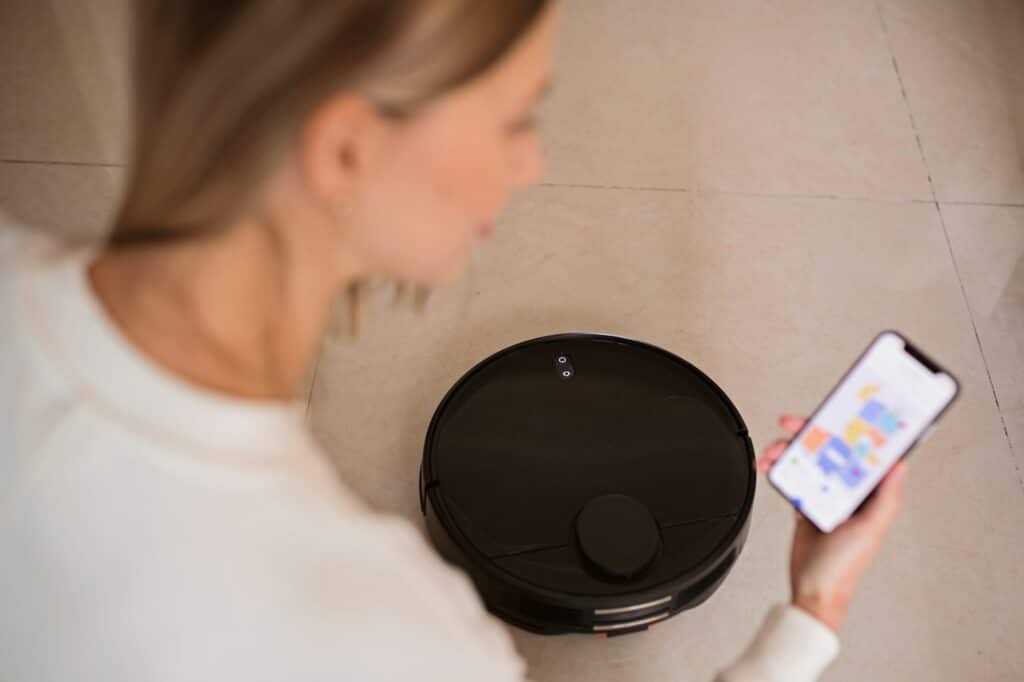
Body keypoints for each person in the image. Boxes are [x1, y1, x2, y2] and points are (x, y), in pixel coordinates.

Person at [0, 1, 908, 680]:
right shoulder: (394, 634)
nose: (532, 165)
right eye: (515, 119)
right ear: (346, 147)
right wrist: (814, 610)